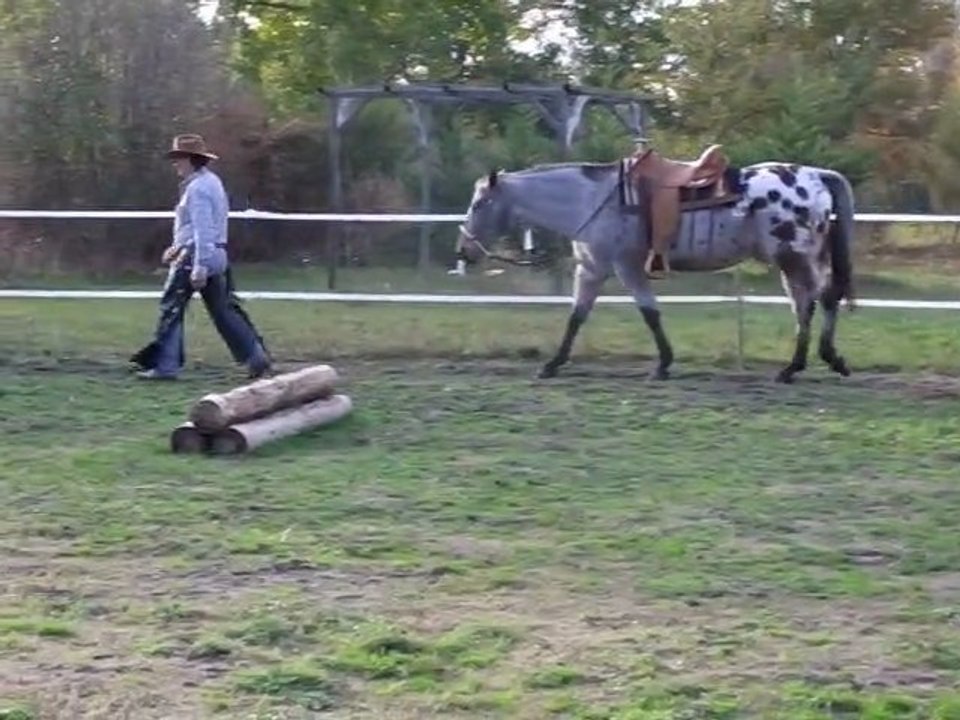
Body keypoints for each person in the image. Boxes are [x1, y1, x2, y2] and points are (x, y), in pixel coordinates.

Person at [130, 133, 271, 380]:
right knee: (224, 310)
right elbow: (203, 227)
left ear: (190, 159)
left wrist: (199, 265)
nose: (175, 163)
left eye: (178, 158)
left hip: (196, 255)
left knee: (172, 307)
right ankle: (255, 355)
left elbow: (203, 228)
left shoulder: (197, 189)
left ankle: (166, 365)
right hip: (215, 253)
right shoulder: (211, 182)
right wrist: (178, 245)